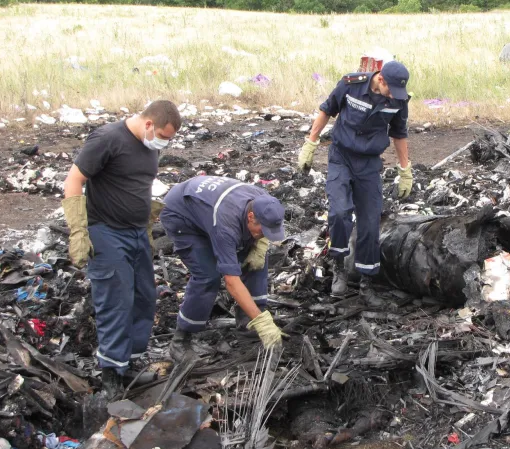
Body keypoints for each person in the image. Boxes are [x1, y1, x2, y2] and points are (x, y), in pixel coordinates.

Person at [62, 100, 181, 397]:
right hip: (106, 231)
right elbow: (73, 180)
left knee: (144, 297)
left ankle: (128, 360)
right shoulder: (108, 139)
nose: (163, 144)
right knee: (116, 299)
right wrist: (78, 232)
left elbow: (135, 184)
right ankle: (111, 372)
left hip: (137, 233)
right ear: (149, 124)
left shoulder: (149, 146)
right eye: (163, 137)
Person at [297, 60, 413, 302]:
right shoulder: (351, 84)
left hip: (369, 164)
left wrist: (405, 169)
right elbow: (327, 109)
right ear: (380, 79)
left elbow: (399, 134)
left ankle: (366, 282)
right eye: (391, 89)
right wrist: (311, 143)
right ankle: (339, 266)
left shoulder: (398, 100)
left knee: (370, 223)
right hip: (341, 157)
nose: (394, 96)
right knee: (339, 212)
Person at [160, 175, 286, 361]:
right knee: (207, 275)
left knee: (256, 257)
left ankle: (248, 319)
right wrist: (265, 325)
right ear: (251, 217)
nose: (264, 235)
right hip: (182, 215)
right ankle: (181, 340)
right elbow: (231, 281)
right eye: (263, 230)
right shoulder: (226, 225)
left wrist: (260, 243)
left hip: (211, 210)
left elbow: (259, 235)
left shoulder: (264, 201)